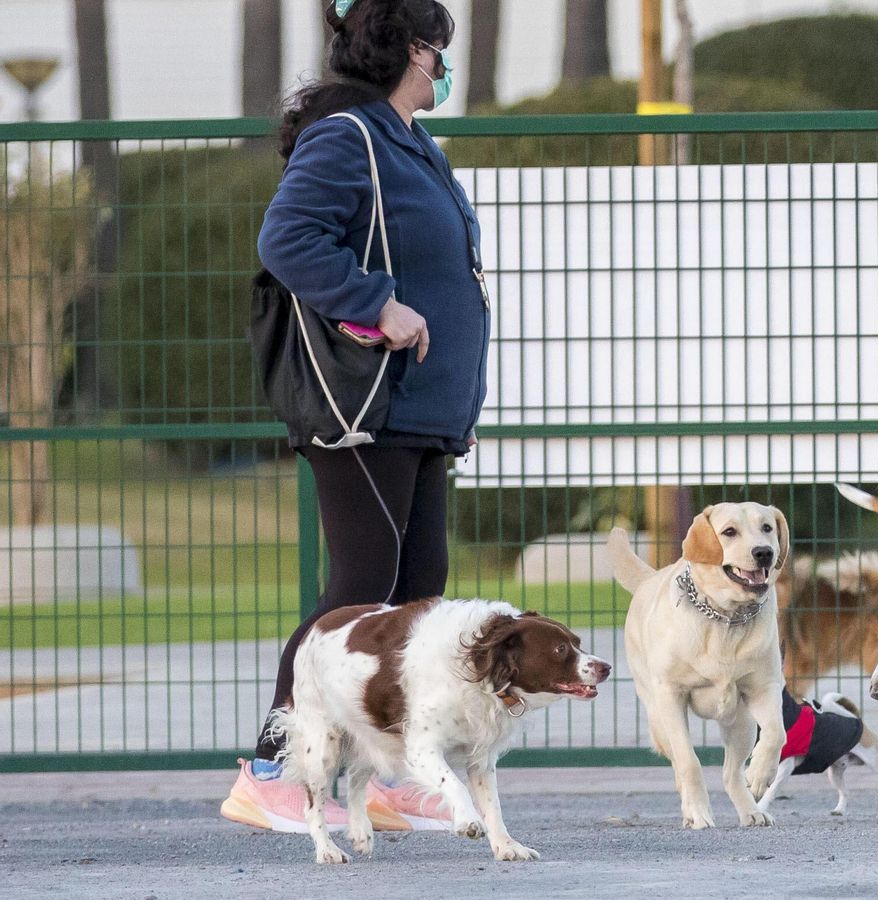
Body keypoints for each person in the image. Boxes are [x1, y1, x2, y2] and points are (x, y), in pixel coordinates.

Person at [222, 0, 490, 833]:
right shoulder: (351, 138)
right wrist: (381, 303)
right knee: (358, 594)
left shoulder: (406, 139)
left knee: (416, 595)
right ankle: (272, 768)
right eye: (438, 49)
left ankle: (384, 777)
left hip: (418, 412)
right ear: (414, 50)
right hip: (365, 405)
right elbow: (290, 238)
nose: (444, 64)